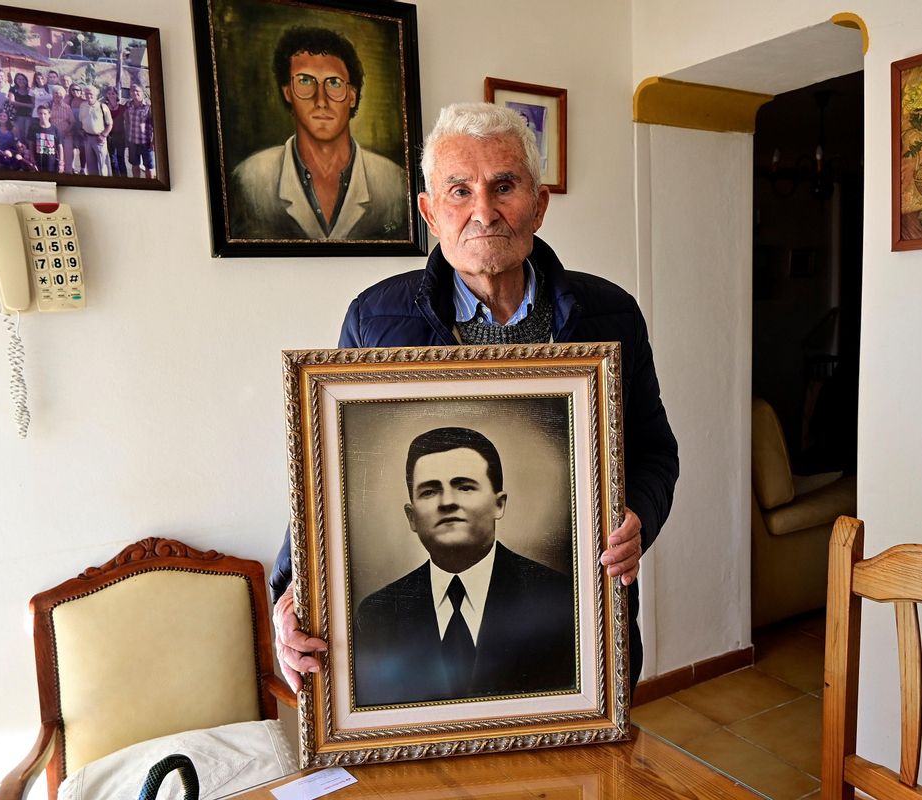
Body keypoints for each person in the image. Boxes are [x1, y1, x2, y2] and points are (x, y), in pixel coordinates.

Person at [271, 103, 679, 699]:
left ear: (538, 204)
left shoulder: (612, 314)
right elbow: (328, 475)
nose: (483, 211)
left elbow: (655, 452)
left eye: (504, 186)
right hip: (414, 665)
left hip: (583, 631)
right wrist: (294, 589)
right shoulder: (374, 319)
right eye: (459, 190)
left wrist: (639, 516)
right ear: (430, 212)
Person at [352, 427, 576, 706]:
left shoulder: (560, 599)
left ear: (499, 504)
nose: (447, 502)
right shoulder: (376, 613)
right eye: (430, 491)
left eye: (464, 486)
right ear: (412, 517)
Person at [229, 26, 407, 241]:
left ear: (352, 95)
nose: (321, 100)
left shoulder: (395, 184)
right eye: (305, 81)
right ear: (287, 93)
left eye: (334, 83)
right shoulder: (250, 179)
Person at [76, 84, 112, 176]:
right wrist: (82, 131)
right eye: (87, 94)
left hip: (99, 139)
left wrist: (103, 135)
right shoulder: (82, 105)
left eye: (91, 94)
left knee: (102, 164)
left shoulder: (103, 107)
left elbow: (110, 124)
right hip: (87, 138)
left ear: (96, 95)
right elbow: (81, 121)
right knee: (90, 164)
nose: (89, 96)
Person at [122, 83, 155, 179]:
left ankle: (151, 186)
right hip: (133, 142)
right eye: (132, 90)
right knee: (135, 165)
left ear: (143, 93)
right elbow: (127, 121)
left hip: (146, 142)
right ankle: (138, 183)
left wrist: (153, 141)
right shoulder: (128, 105)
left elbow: (155, 125)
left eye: (137, 91)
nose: (134, 93)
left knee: (149, 167)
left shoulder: (149, 107)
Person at [49, 86, 75, 174]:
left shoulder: (67, 107)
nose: (58, 95)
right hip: (52, 136)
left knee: (67, 158)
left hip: (65, 135)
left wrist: (65, 132)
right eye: (55, 93)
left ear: (64, 95)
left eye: (60, 93)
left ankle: (68, 175)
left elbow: (72, 122)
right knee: (54, 158)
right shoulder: (49, 106)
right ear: (52, 95)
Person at [26, 105, 60, 173]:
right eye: (40, 113)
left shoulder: (55, 129)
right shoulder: (33, 128)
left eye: (45, 114)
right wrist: (32, 157)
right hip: (38, 158)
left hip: (51, 159)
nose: (42, 116)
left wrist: (61, 161)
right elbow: (31, 144)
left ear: (49, 114)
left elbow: (60, 146)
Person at [104, 86, 128, 177]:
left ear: (116, 95)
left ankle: (125, 179)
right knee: (112, 159)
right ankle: (116, 179)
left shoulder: (123, 108)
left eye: (113, 93)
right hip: (109, 136)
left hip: (121, 136)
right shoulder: (104, 107)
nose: (111, 95)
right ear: (106, 95)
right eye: (109, 93)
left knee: (121, 158)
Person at [6, 72, 35, 143]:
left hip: (29, 115)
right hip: (17, 115)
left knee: (27, 133)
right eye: (19, 79)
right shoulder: (13, 89)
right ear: (16, 80)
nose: (21, 81)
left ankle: (27, 151)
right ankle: (20, 151)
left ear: (26, 80)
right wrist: (27, 105)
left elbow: (33, 102)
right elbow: (12, 101)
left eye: (23, 79)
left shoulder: (29, 90)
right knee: (19, 134)